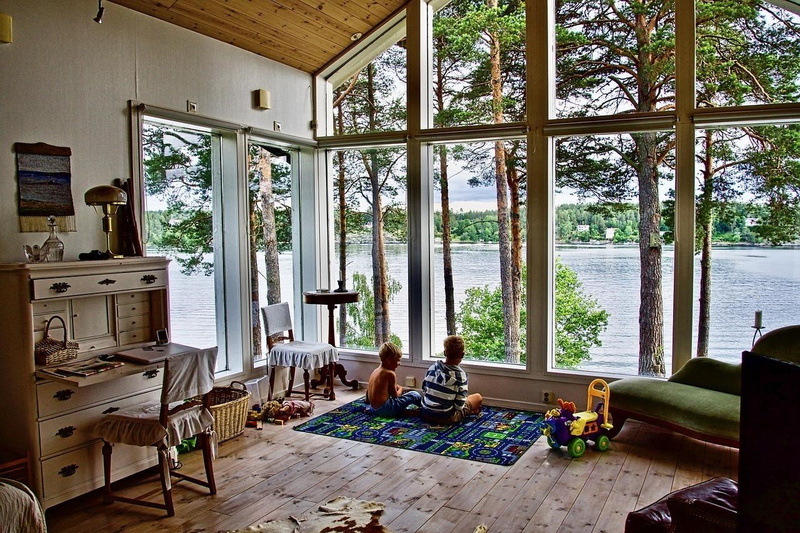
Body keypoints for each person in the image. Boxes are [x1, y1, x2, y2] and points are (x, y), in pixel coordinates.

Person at [421, 335, 482, 424]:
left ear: (445, 353)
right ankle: (468, 412)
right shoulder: (461, 376)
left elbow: (424, 389)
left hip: (426, 413)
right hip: (447, 417)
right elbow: (459, 406)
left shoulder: (433, 367)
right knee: (477, 397)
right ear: (462, 354)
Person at [366, 342, 422, 417]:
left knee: (402, 396)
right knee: (415, 394)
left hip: (374, 409)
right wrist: (400, 389)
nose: (399, 363)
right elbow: (395, 396)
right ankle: (425, 409)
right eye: (398, 360)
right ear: (389, 360)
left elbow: (368, 392)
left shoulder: (375, 371)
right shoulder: (390, 374)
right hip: (386, 409)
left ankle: (403, 411)